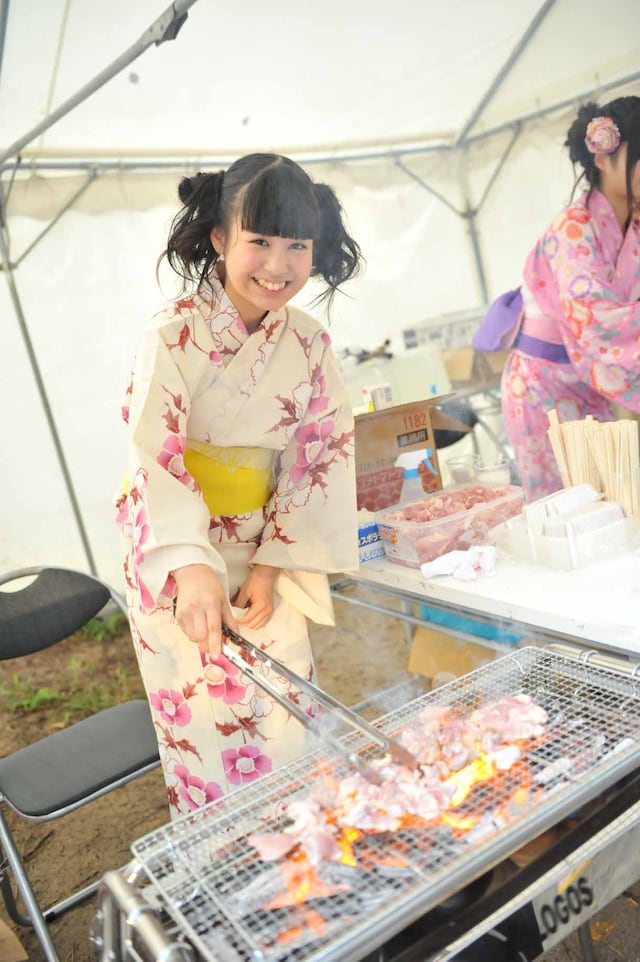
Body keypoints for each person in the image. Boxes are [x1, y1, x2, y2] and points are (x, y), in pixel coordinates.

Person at [115, 153, 363, 817]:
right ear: (220, 239)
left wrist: (275, 562)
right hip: (182, 563)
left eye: (297, 246)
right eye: (259, 241)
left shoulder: (309, 343)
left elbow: (319, 457)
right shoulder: (171, 335)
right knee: (209, 738)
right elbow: (153, 457)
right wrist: (192, 567)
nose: (277, 265)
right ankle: (228, 873)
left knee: (287, 721)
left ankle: (303, 858)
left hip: (265, 557)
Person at [500, 96, 640, 501]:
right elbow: (593, 320)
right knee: (567, 508)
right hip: (541, 387)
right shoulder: (572, 228)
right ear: (603, 159)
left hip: (589, 380)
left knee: (615, 499)